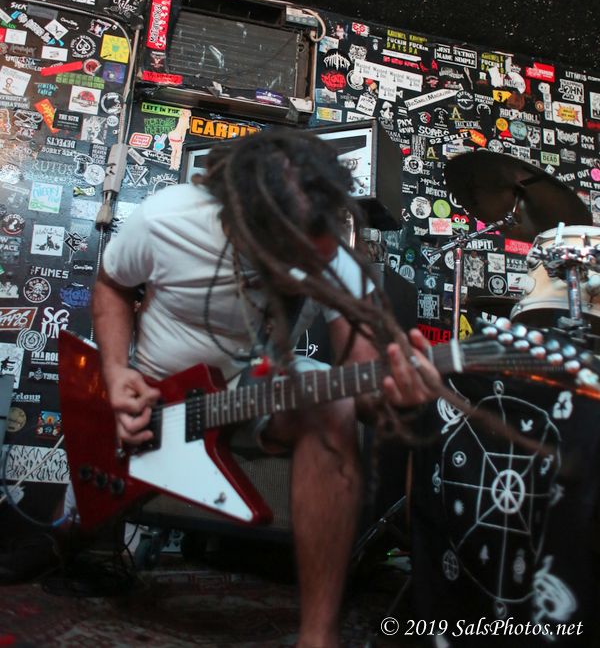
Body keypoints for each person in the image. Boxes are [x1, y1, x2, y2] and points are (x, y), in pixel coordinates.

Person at [92, 126, 441, 648]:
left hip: (251, 396)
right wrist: (117, 373)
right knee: (74, 540)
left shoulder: (334, 259)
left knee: (333, 403)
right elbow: (112, 286)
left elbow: (367, 389)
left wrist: (397, 398)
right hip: (158, 400)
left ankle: (318, 636)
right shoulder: (167, 218)